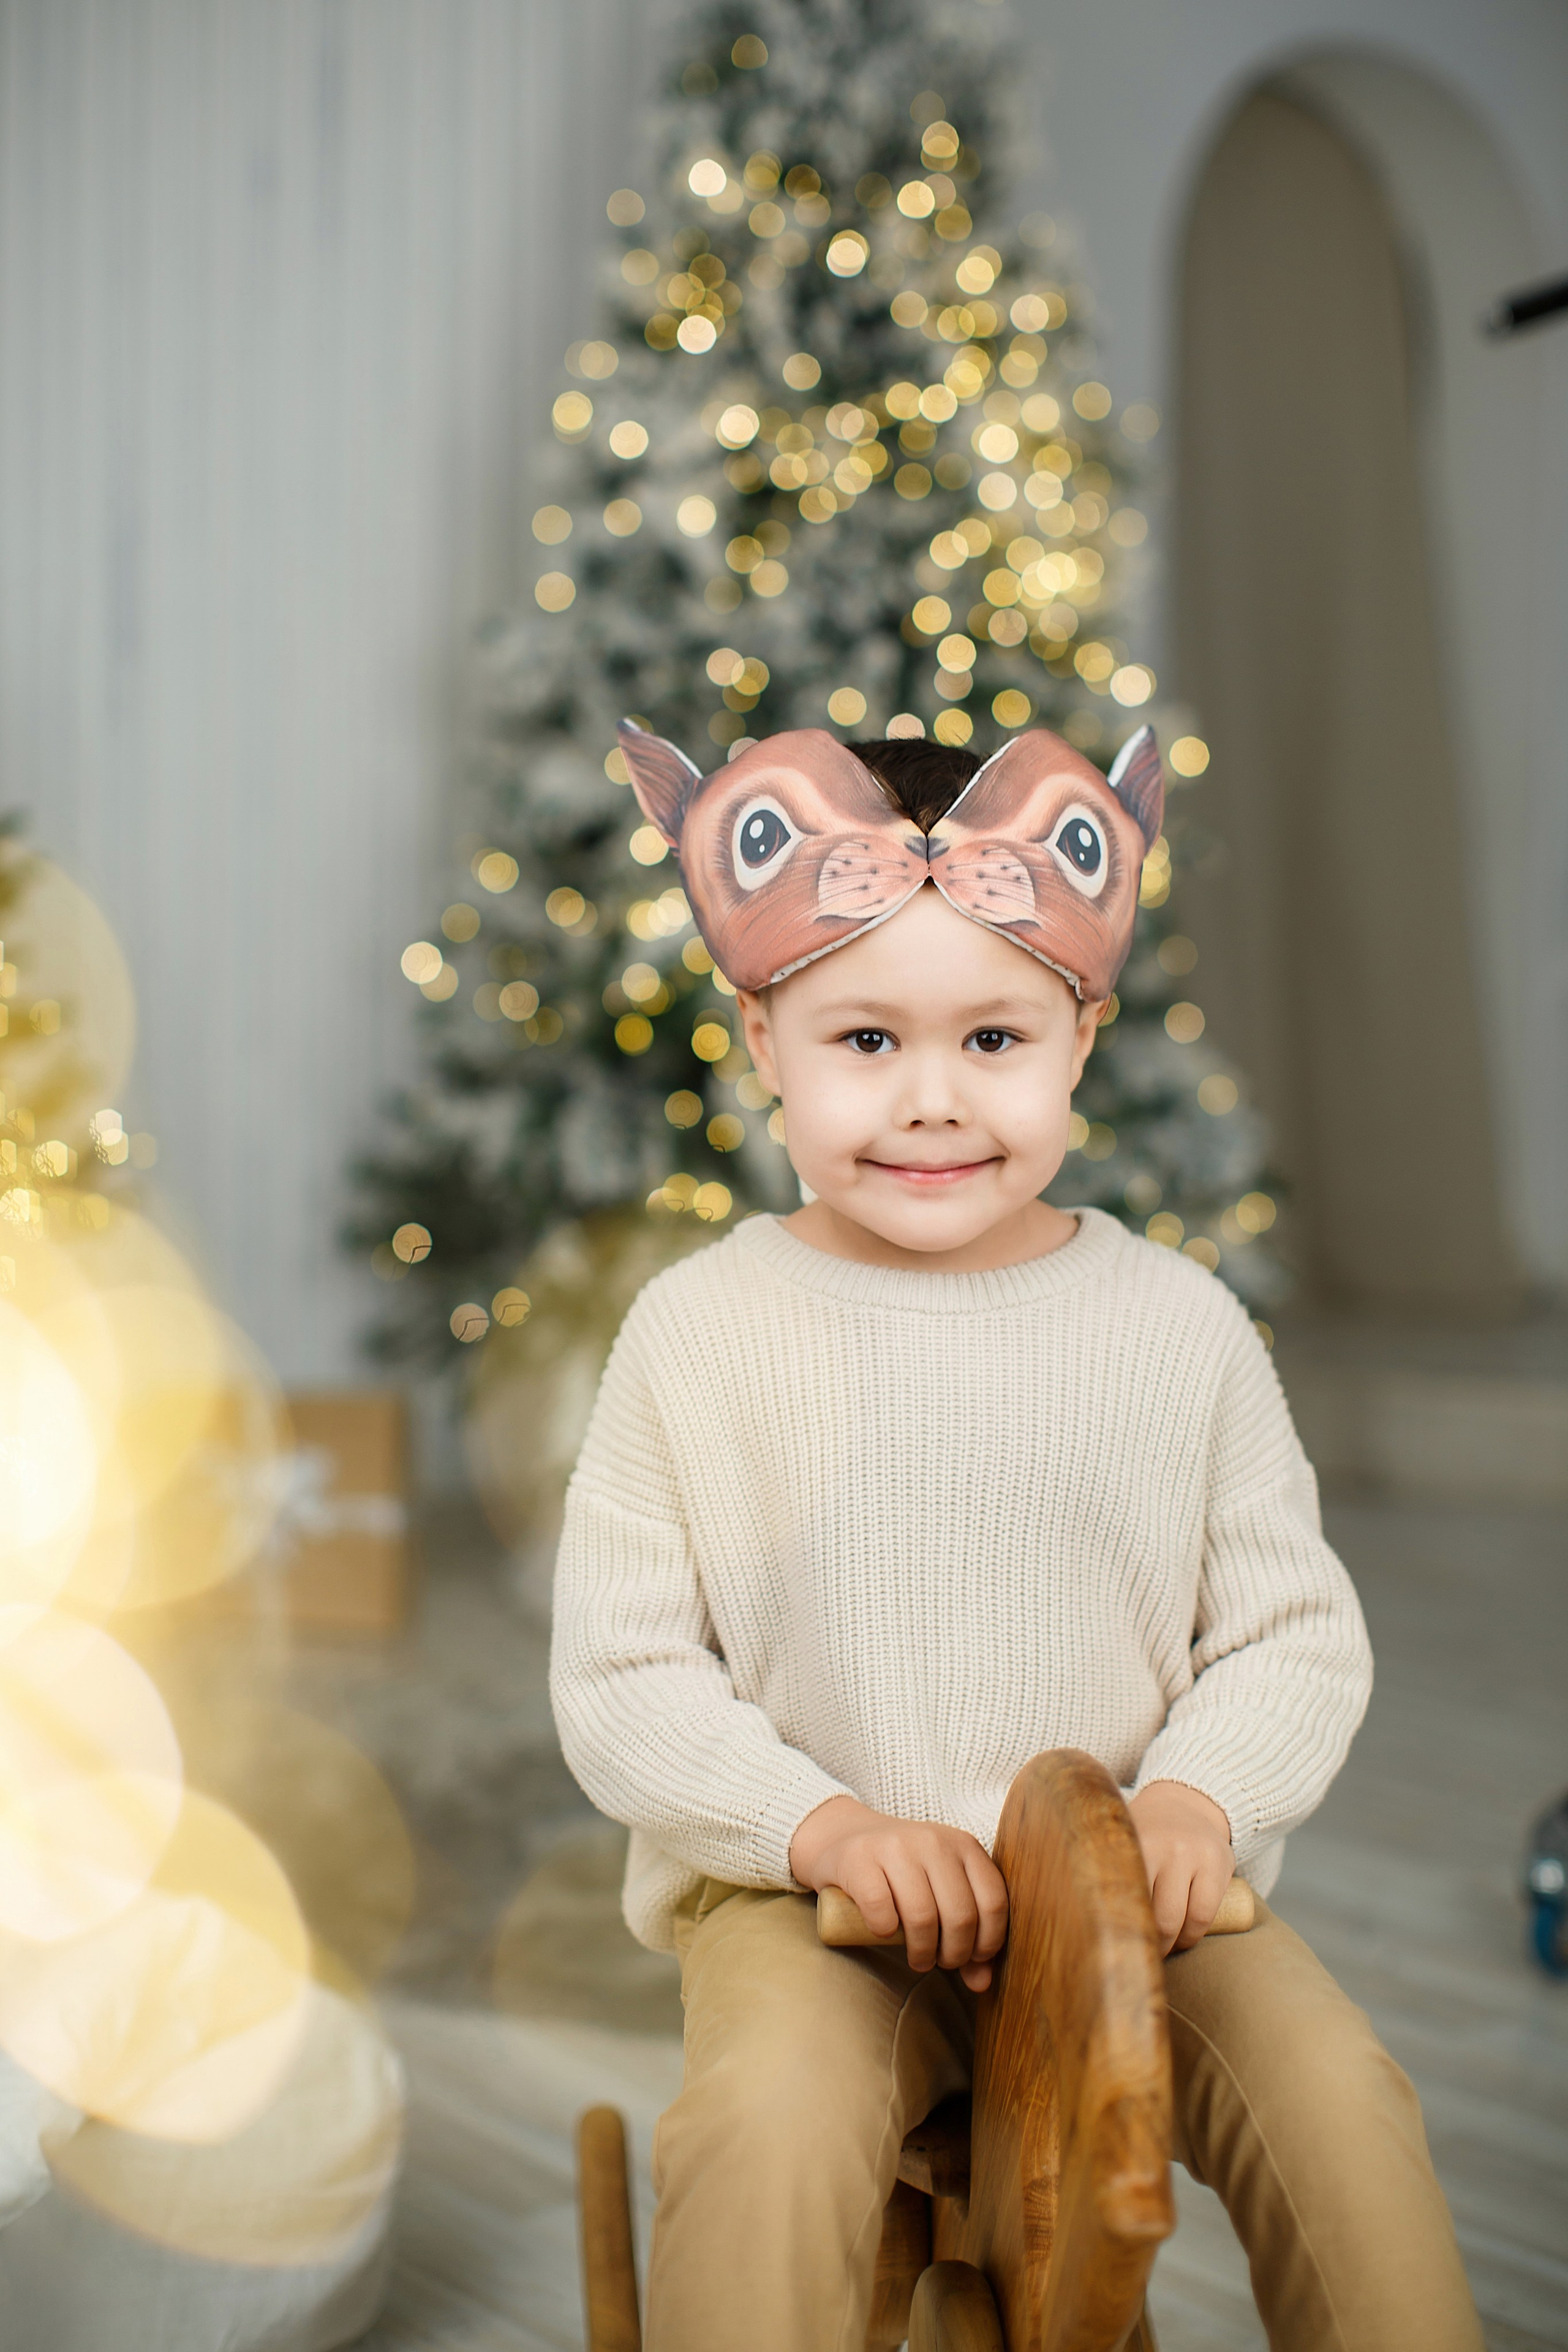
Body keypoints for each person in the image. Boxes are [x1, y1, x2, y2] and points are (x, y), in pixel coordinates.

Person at [551, 722, 1482, 2352]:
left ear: (1083, 1033)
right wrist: (816, 1825)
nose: (931, 1103)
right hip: (815, 1903)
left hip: (1131, 1890)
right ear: (764, 1036)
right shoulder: (699, 1334)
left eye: (993, 1037)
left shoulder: (1176, 1327)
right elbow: (625, 1674)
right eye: (864, 1041)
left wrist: (1200, 1799)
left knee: (1342, 2100)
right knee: (765, 2127)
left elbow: (1288, 1629)